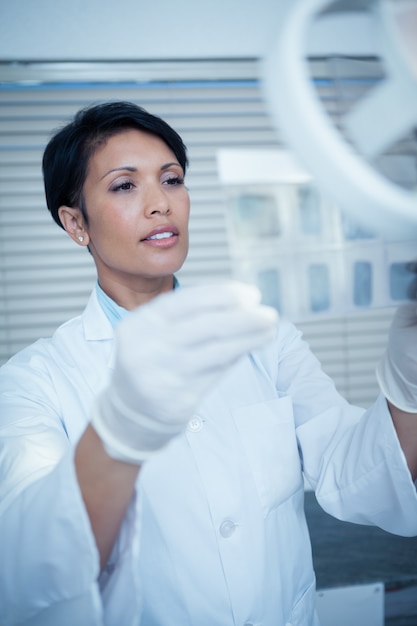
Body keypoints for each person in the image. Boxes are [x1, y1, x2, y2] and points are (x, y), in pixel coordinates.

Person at [0, 101, 416, 626]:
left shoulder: (267, 337)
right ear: (76, 223)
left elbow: (355, 474)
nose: (160, 204)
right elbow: (31, 571)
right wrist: (120, 426)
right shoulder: (32, 382)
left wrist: (410, 374)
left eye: (172, 179)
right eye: (125, 185)